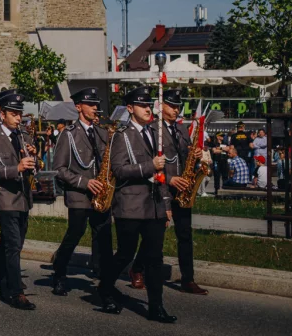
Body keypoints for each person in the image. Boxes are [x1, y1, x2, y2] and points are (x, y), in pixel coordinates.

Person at [97, 86, 175, 323]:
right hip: (130, 206)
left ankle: (156, 307)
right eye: (142, 106)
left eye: (149, 105)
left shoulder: (154, 133)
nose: (147, 109)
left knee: (154, 259)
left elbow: (161, 173)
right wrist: (149, 166)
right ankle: (105, 288)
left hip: (154, 206)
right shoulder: (122, 135)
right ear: (130, 108)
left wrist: (166, 203)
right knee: (125, 254)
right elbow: (119, 170)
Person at [129, 89, 208, 295]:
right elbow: (151, 160)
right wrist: (170, 179)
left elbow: (185, 155)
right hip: (162, 186)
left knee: (185, 234)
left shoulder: (181, 130)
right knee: (155, 235)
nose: (176, 110)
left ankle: (188, 278)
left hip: (183, 188)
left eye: (177, 106)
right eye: (172, 106)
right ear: (161, 107)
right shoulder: (153, 129)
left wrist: (195, 154)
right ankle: (137, 269)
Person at [50, 87, 112, 295]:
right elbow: (59, 169)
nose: (96, 108)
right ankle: (59, 272)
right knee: (74, 235)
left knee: (103, 237)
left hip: (101, 193)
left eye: (97, 104)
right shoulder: (69, 134)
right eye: (91, 104)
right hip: (79, 194)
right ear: (79, 107)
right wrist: (85, 183)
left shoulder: (102, 133)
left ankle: (104, 279)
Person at [0, 89, 36, 311]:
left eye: (19, 113)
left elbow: (31, 163)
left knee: (15, 242)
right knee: (14, 245)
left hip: (23, 196)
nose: (18, 117)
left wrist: (33, 155)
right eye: (13, 113)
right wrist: (17, 168)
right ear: (2, 113)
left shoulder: (23, 135)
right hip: (4, 196)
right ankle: (16, 292)